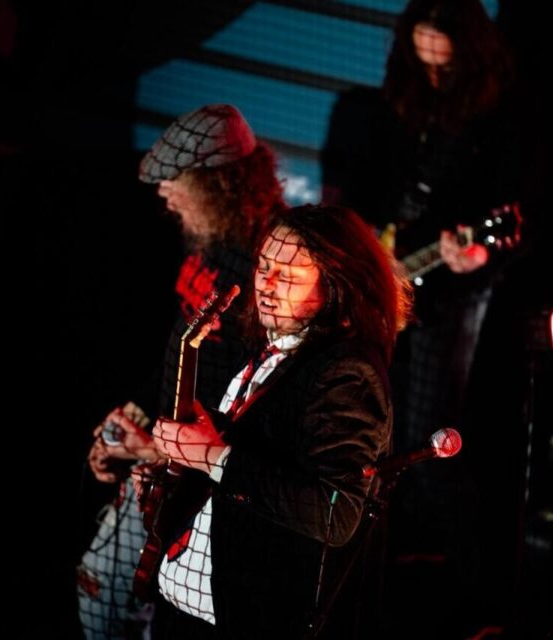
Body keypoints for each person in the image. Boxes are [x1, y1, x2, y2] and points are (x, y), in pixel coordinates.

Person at [321, 0, 522, 635]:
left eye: (445, 64)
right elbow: (369, 189)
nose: (433, 73)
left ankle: (472, 599)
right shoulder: (393, 103)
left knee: (434, 436)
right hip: (386, 278)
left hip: (447, 295)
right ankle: (370, 572)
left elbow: (510, 216)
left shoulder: (499, 116)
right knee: (367, 426)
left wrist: (480, 251)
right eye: (423, 58)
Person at [146, 204, 411, 639]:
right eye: (264, 267)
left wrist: (212, 456)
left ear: (335, 287)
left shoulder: (347, 372)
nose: (266, 285)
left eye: (286, 276)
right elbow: (259, 464)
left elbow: (337, 512)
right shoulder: (280, 348)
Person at [77, 104, 285, 640]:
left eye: (175, 180)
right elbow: (180, 355)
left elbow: (249, 399)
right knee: (100, 598)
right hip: (167, 458)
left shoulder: (264, 270)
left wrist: (155, 447)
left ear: (217, 184)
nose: (163, 192)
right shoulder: (208, 243)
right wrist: (131, 415)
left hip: (205, 480)